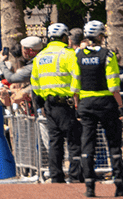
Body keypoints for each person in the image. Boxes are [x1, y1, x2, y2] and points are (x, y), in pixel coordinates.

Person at [76, 21, 123, 198]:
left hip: (85, 104)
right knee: (114, 145)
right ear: (101, 36)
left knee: (87, 146)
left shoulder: (77, 55)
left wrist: (78, 105)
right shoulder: (108, 55)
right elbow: (114, 86)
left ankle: (90, 188)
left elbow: (75, 84)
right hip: (106, 104)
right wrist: (120, 107)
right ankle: (120, 186)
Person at [32, 23, 80, 184]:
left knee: (55, 142)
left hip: (49, 105)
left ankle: (56, 177)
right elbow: (77, 78)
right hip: (66, 104)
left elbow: (35, 84)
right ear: (65, 37)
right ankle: (75, 176)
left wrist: (41, 104)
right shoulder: (68, 53)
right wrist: (76, 99)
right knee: (73, 141)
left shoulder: (39, 57)